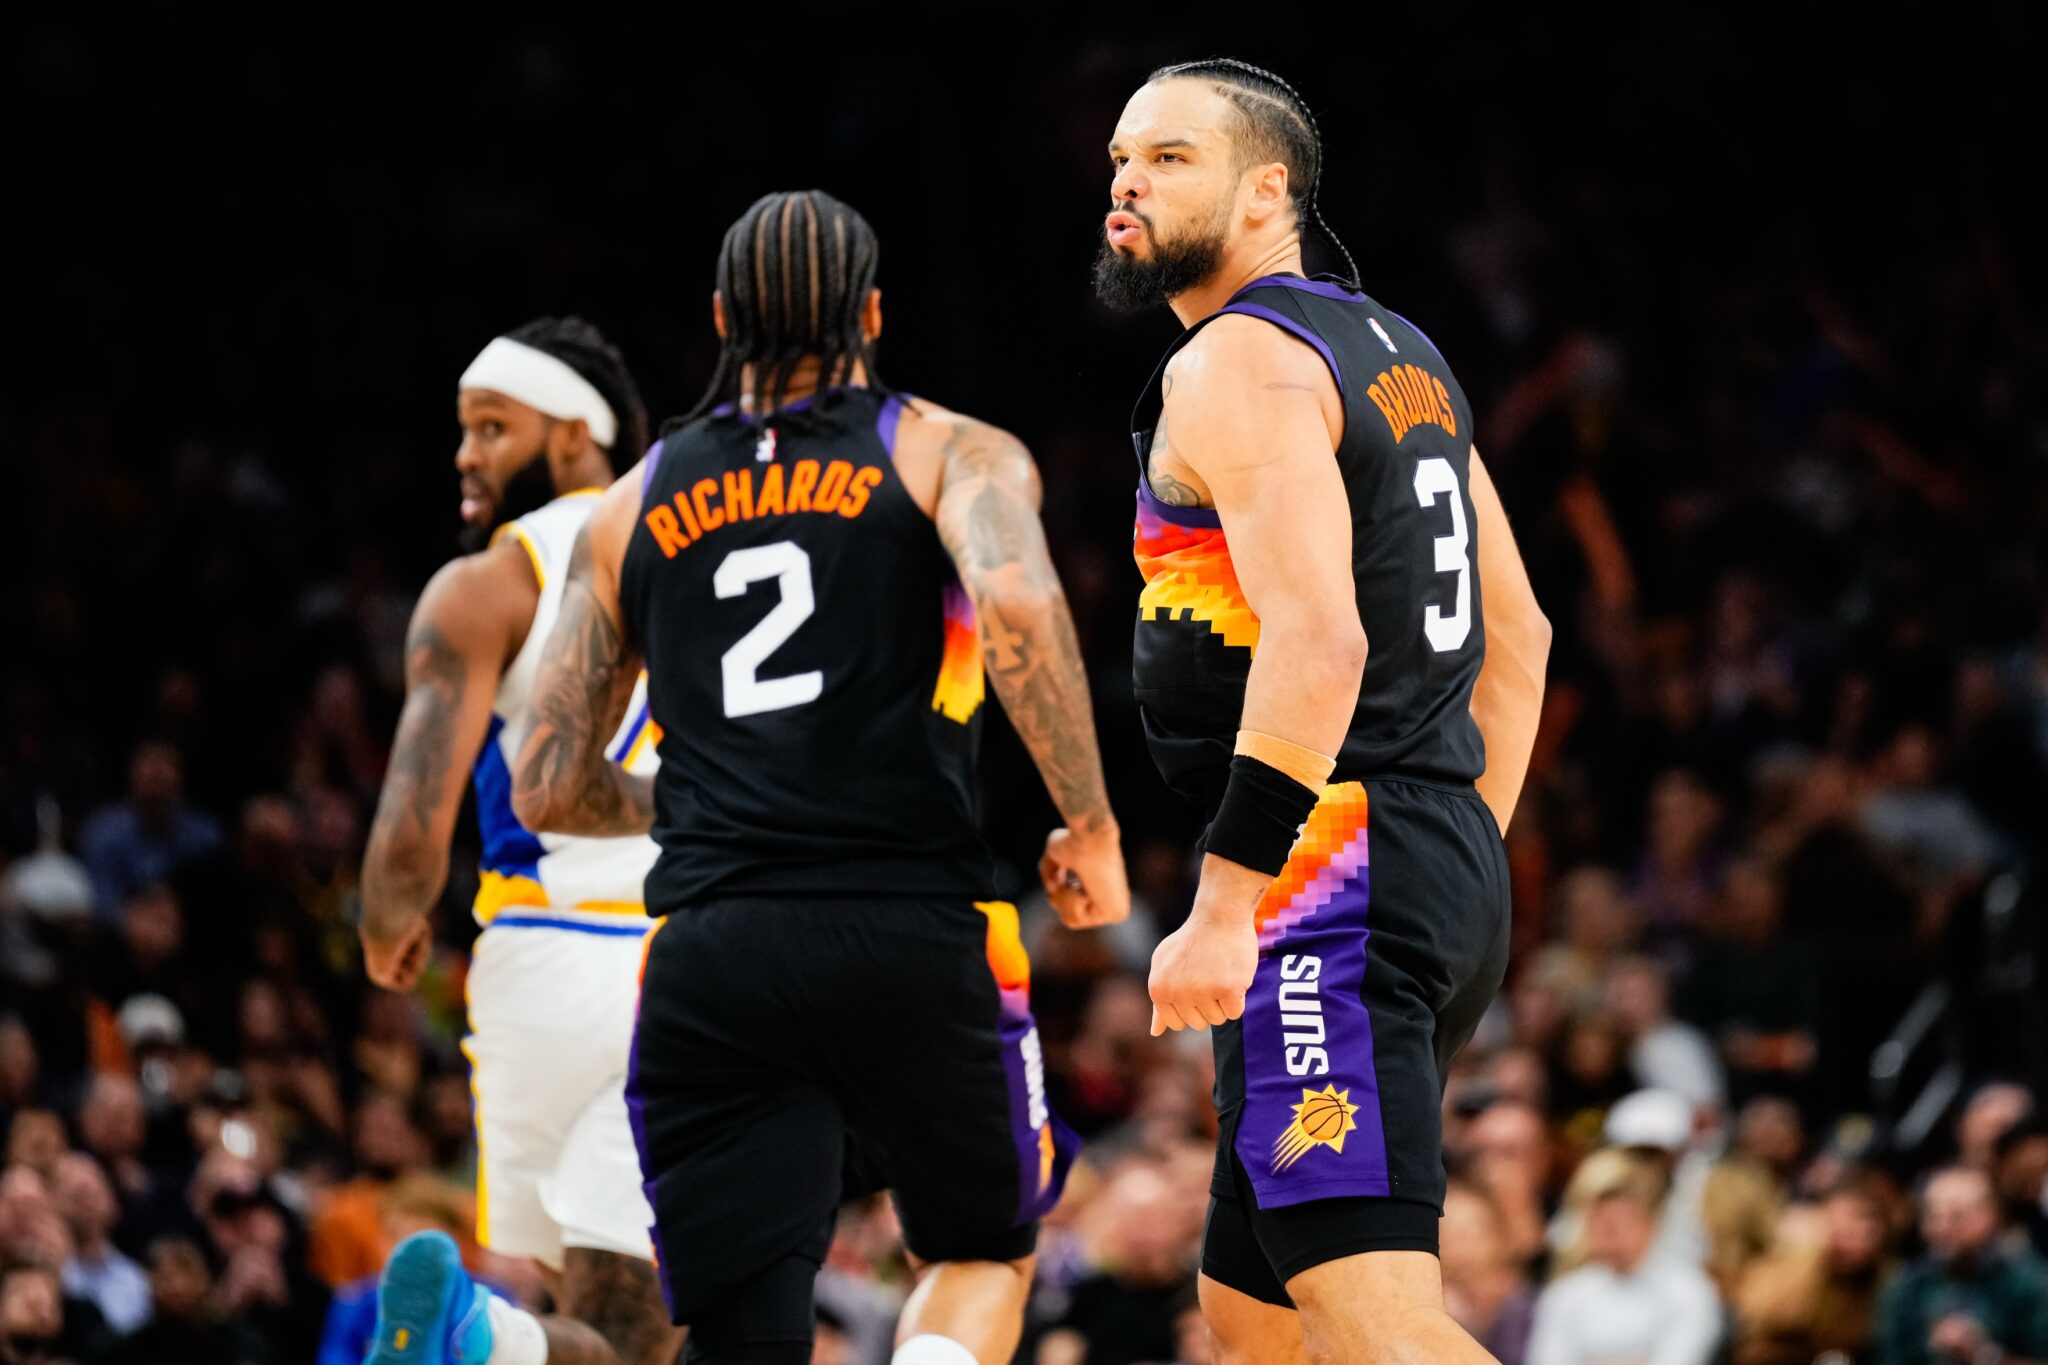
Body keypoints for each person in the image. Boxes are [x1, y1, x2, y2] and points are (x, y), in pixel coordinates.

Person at [481, 188, 1127, 1365]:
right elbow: (1022, 599)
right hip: (912, 925)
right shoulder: (941, 449)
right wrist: (1087, 824)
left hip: (713, 953)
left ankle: (504, 1345)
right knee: (983, 1247)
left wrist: (674, 802)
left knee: (742, 1322)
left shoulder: (631, 504)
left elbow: (542, 784)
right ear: (873, 313)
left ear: (722, 315)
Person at [1097, 58, 1551, 1362]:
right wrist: (1451, 854)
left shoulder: (1238, 361)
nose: (1127, 179)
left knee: (1372, 1322)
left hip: (1328, 876)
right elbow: (1520, 634)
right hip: (1418, 853)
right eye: (1121, 158)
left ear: (1267, 190)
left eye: (1171, 156)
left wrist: (1238, 902)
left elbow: (1320, 635)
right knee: (1256, 1328)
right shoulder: (1403, 353)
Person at [355, 317, 682, 1365]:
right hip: (676, 963)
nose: (466, 453)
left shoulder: (484, 589)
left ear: (580, 437)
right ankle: (480, 1332)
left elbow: (414, 817)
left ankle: (490, 1337)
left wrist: (388, 926)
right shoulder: (707, 553)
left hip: (528, 969)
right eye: (464, 431)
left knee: (592, 1315)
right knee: (638, 1332)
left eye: (493, 427)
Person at [1526, 1154, 1722, 1365]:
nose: (1609, 1229)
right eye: (1599, 1218)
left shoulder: (1689, 1291)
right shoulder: (1565, 1295)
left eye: (1620, 1218)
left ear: (1651, 1221)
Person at [1874, 1165, 2048, 1365]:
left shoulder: (2028, 1281)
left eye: (1956, 1216)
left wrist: (1986, 1356)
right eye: (1933, 1216)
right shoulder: (1907, 1284)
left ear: (1991, 1215)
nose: (1942, 1228)